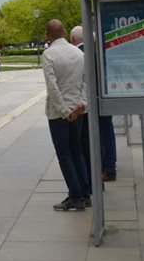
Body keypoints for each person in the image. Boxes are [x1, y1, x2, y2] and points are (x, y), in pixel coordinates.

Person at [42, 19, 89, 212]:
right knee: (77, 151)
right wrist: (81, 104)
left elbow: (52, 87)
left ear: (48, 35)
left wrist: (64, 111)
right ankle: (85, 193)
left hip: (59, 114)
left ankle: (75, 196)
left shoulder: (48, 55)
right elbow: (86, 81)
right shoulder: (78, 53)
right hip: (78, 109)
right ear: (64, 33)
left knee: (64, 154)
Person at [70, 25, 117, 182]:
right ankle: (109, 166)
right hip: (103, 96)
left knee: (97, 135)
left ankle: (105, 167)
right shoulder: (97, 51)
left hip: (90, 100)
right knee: (107, 133)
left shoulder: (79, 54)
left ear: (73, 39)